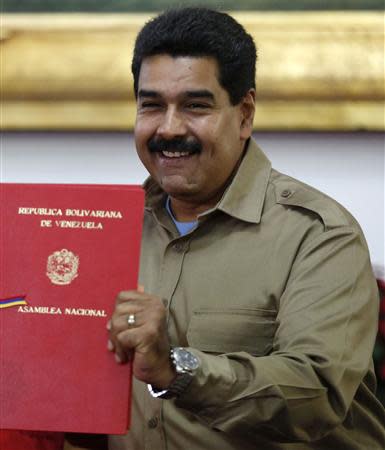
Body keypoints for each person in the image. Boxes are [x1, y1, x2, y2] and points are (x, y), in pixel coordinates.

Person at [65, 7, 385, 450]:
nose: (170, 128)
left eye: (195, 106)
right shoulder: (102, 232)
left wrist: (176, 370)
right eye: (152, 105)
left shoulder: (319, 235)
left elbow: (315, 396)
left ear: (245, 114)